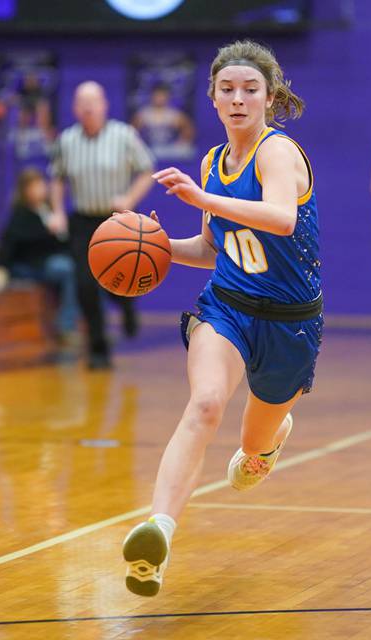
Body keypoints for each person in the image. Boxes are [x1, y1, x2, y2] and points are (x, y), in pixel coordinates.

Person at [120, 40, 322, 598]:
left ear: (269, 97)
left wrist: (203, 199)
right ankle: (156, 535)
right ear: (212, 97)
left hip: (290, 321)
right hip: (228, 306)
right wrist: (152, 243)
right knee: (206, 403)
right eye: (227, 89)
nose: (238, 99)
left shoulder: (278, 153)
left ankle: (267, 442)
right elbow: (214, 250)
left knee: (251, 442)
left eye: (249, 90)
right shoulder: (212, 163)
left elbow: (280, 219)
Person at [48, 81, 155, 369]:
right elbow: (57, 177)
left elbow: (147, 169)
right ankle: (98, 348)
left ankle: (126, 306)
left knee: (113, 280)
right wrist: (57, 211)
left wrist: (129, 198)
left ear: (104, 105)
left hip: (115, 218)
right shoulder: (66, 140)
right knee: (84, 283)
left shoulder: (124, 135)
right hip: (82, 220)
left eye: (93, 101)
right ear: (75, 108)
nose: (88, 107)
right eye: (82, 102)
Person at [0, 167, 79, 343]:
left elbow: (61, 242)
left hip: (47, 263)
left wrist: (62, 232)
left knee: (81, 268)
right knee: (66, 268)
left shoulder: (48, 211)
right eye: (34, 186)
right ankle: (66, 326)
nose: (40, 189)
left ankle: (86, 324)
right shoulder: (21, 214)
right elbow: (11, 244)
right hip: (28, 266)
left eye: (40, 184)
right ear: (25, 190)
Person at [131, 83, 195, 159]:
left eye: (162, 95)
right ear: (152, 96)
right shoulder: (143, 114)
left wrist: (181, 142)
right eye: (157, 95)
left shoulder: (175, 115)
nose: (160, 98)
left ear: (167, 97)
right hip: (150, 147)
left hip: (169, 148)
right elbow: (132, 132)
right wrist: (140, 144)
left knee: (187, 150)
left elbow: (188, 129)